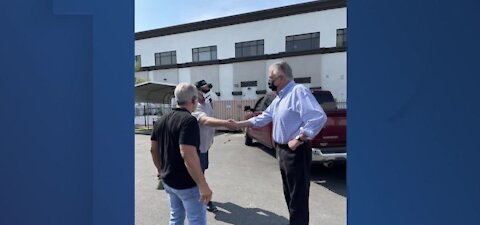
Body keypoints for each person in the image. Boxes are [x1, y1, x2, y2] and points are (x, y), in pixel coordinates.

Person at [234, 61, 327, 225]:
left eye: (271, 78)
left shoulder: (298, 91)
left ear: (281, 77)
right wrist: (238, 124)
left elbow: (318, 117)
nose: (269, 82)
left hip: (295, 152)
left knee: (298, 198)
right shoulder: (280, 98)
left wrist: (299, 139)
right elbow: (263, 117)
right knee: (290, 195)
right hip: (282, 152)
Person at [150, 82, 212, 225]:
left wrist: (160, 171)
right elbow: (188, 154)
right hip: (187, 183)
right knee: (196, 219)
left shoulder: (161, 120)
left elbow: (153, 149)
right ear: (193, 100)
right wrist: (202, 184)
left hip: (168, 180)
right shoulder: (189, 121)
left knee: (176, 217)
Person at [192, 79, 237, 212]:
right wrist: (225, 123)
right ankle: (203, 199)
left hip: (205, 146)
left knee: (202, 171)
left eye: (208, 90)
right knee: (198, 174)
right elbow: (206, 121)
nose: (207, 93)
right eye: (204, 90)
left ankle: (198, 196)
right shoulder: (196, 107)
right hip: (196, 148)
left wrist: (211, 140)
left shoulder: (207, 104)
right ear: (197, 92)